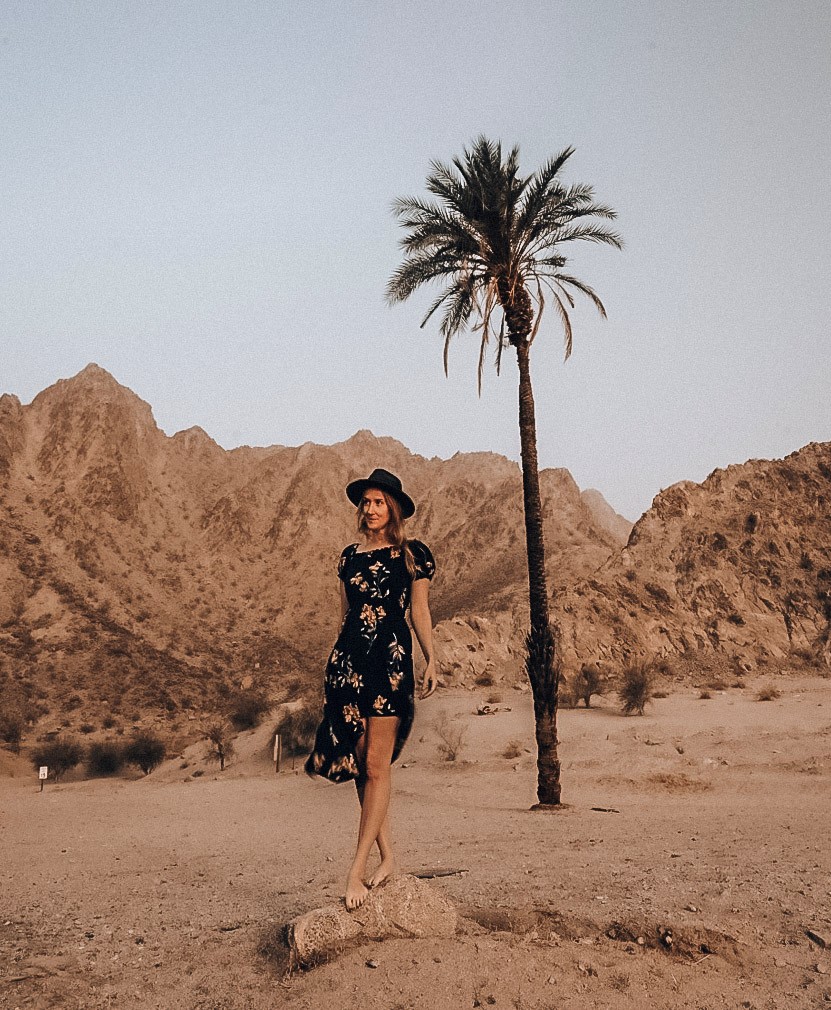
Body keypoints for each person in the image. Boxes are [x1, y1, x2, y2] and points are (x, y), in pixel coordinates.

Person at [305, 467, 437, 909]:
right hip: (348, 664)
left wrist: (432, 657)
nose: (371, 508)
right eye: (366, 501)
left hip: (391, 664)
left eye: (379, 501)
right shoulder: (348, 557)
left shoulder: (413, 556)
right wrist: (334, 667)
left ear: (393, 508)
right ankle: (388, 857)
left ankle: (355, 871)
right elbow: (343, 618)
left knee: (378, 765)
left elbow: (419, 611)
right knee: (361, 764)